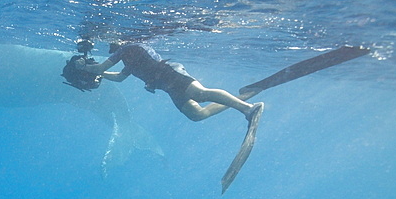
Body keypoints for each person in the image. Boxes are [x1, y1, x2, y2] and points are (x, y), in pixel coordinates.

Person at [62, 39, 263, 124]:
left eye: (112, 46)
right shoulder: (126, 58)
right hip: (166, 85)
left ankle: (247, 108)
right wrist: (100, 75)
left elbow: (98, 68)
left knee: (200, 94)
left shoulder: (129, 48)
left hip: (170, 73)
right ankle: (237, 101)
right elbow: (121, 78)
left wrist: (84, 68)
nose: (111, 50)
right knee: (197, 114)